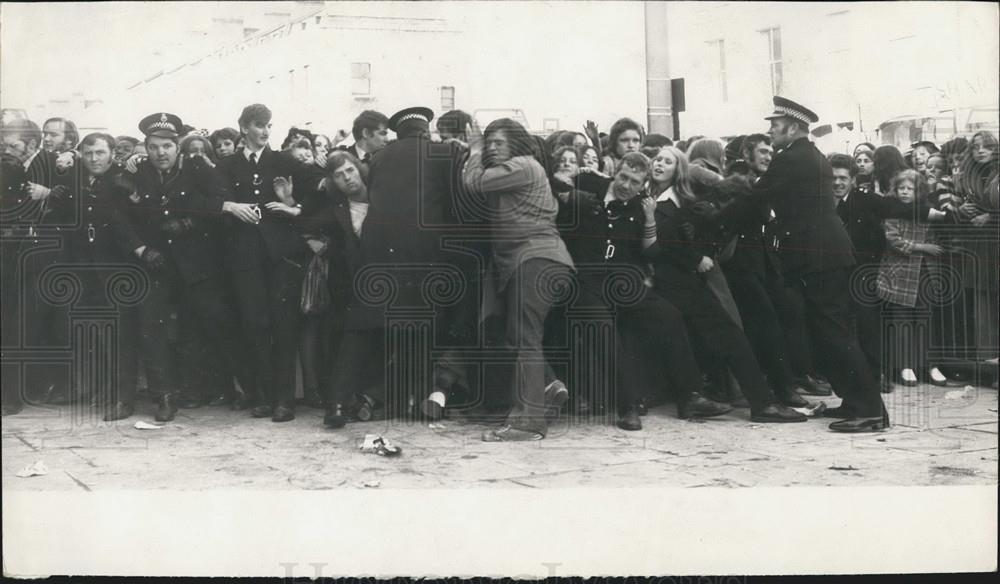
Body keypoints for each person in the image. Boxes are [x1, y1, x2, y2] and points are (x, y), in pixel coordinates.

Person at [750, 96, 943, 432]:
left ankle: (869, 410)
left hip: (818, 259)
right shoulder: (808, 157)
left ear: (792, 127)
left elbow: (754, 198)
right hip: (823, 256)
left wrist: (714, 222)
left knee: (835, 334)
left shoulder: (792, 159)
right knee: (829, 333)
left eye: (774, 124)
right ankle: (855, 401)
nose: (770, 130)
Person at [555, 150, 733, 429]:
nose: (627, 186)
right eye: (623, 177)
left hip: (625, 281)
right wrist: (570, 193)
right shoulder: (589, 187)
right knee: (602, 327)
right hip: (585, 280)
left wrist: (649, 222)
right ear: (616, 172)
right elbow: (554, 179)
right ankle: (627, 406)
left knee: (669, 315)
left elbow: (649, 251)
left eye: (635, 182)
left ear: (643, 184)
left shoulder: (641, 206)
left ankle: (691, 396)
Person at [326, 106, 473, 427]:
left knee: (361, 329)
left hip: (378, 253)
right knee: (419, 328)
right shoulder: (443, 152)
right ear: (425, 129)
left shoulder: (378, 159)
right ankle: (413, 401)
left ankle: (336, 404)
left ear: (400, 132)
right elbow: (456, 205)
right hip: (423, 253)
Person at [645, 145, 807, 423]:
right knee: (722, 334)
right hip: (663, 279)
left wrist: (700, 254)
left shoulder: (685, 200)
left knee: (728, 334)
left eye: (668, 161)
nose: (659, 164)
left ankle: (758, 402)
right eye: (657, 159)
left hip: (680, 278)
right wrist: (695, 256)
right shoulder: (646, 197)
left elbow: (687, 238)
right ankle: (757, 402)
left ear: (678, 171)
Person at [462, 117, 576, 441]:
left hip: (536, 260)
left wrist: (474, 149)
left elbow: (474, 182)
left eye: (499, 142)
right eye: (490, 143)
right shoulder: (521, 170)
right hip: (537, 262)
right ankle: (549, 388)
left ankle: (528, 422)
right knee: (516, 334)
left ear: (516, 142)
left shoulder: (523, 166)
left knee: (525, 337)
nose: (493, 148)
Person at [217, 104, 314, 423]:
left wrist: (294, 207)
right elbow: (211, 198)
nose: (265, 131)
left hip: (282, 255)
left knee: (284, 324)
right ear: (244, 127)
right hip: (243, 255)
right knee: (255, 324)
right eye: (259, 125)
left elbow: (318, 192)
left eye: (268, 125)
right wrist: (230, 206)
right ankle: (264, 394)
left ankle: (285, 400)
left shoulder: (284, 161)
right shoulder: (227, 164)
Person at [877, 169, 950, 387]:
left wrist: (928, 247)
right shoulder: (892, 212)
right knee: (902, 320)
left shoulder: (925, 212)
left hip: (924, 272)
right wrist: (921, 247)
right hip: (900, 272)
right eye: (901, 188)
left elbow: (935, 238)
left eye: (910, 189)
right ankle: (905, 365)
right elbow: (893, 240)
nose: (905, 192)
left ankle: (929, 364)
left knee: (925, 317)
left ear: (918, 192)